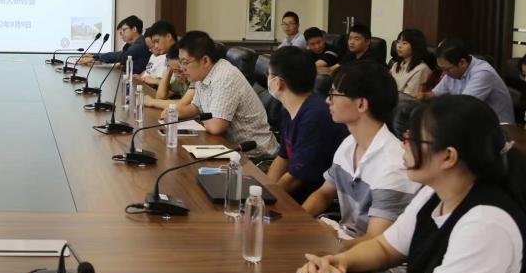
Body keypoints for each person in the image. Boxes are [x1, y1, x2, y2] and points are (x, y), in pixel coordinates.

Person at [296, 96, 526, 273]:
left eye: (412, 140)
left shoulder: (487, 223)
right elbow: (385, 248)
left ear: (448, 156)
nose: (403, 145)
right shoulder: (434, 193)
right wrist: (339, 262)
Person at [302, 61, 420, 246]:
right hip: (344, 240)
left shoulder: (393, 164)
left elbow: (376, 243)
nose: (327, 100)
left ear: (361, 104)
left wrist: (331, 239)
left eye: (334, 94)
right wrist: (298, 221)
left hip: (368, 256)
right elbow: (324, 194)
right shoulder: (349, 144)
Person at [173, 31, 277, 158]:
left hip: (255, 155)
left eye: (185, 62)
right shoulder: (202, 75)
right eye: (180, 62)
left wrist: (200, 120)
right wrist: (174, 113)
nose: (182, 68)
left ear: (205, 61)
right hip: (229, 148)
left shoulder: (224, 76)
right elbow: (196, 107)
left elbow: (216, 127)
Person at [265, 47, 349, 203]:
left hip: (312, 199)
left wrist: (267, 200)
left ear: (278, 83)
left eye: (268, 74)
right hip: (295, 193)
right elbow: (283, 157)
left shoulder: (315, 116)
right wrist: (265, 190)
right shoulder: (288, 110)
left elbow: (296, 178)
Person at [421, 38, 515, 124]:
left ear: (462, 63)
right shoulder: (452, 70)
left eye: (446, 69)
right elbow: (434, 94)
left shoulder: (483, 73)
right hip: (473, 123)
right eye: (441, 68)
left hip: (499, 128)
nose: (444, 73)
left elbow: (464, 107)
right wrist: (421, 96)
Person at [78, 15, 150, 73]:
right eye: (121, 32)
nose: (122, 34)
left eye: (124, 30)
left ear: (134, 29)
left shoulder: (141, 44)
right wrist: (93, 55)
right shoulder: (133, 44)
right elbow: (121, 55)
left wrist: (94, 57)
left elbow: (121, 56)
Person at [144, 43, 194, 112]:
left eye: (179, 71)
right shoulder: (179, 80)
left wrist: (151, 102)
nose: (176, 75)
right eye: (174, 71)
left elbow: (182, 104)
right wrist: (169, 70)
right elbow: (160, 97)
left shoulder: (195, 80)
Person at [389, 28, 433, 96]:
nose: (399, 46)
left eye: (404, 43)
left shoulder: (421, 69)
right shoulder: (396, 65)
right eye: (398, 42)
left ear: (415, 46)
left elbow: (410, 97)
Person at [140, 21, 176, 86]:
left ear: (168, 36)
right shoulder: (169, 55)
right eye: (154, 43)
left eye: (157, 41)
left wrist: (156, 81)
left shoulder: (180, 55)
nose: (156, 46)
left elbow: (176, 87)